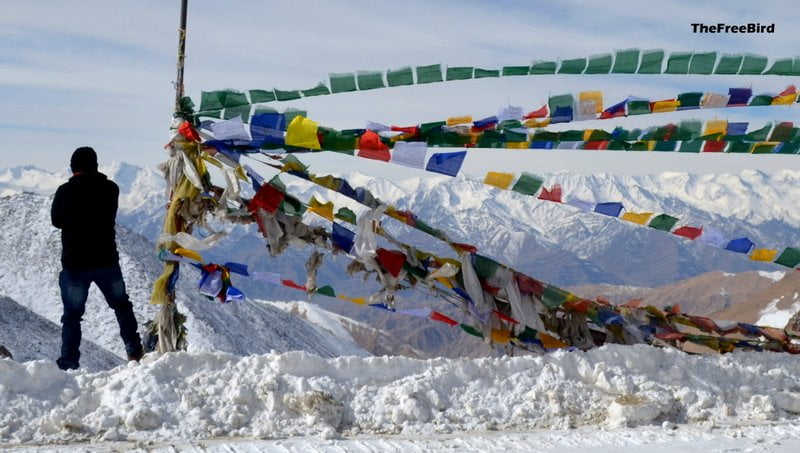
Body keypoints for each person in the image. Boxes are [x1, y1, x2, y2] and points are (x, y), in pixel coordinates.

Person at [51, 147, 143, 370]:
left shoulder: (65, 191)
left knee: (72, 316)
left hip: (75, 264)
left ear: (74, 168)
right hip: (106, 261)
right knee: (121, 306)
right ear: (95, 165)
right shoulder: (111, 189)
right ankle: (134, 352)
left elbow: (56, 220)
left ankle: (69, 362)